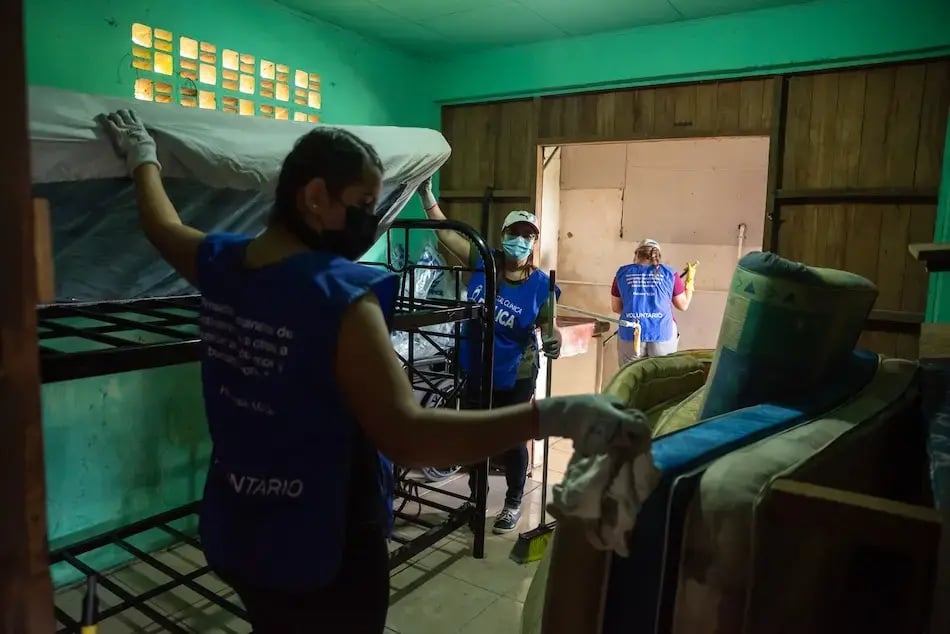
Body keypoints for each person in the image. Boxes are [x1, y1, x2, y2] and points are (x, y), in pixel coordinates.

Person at [96, 110, 648, 634]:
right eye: (364, 202)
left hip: (240, 524)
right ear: (315, 198)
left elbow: (161, 224)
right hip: (323, 540)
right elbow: (407, 435)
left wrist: (143, 157)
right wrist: (554, 413)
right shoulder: (340, 298)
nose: (372, 218)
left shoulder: (220, 261)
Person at [417, 180, 560, 534]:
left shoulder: (542, 285)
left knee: (511, 440)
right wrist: (426, 196)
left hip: (516, 372)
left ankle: (513, 501)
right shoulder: (484, 262)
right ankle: (475, 497)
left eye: (528, 235)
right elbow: (446, 234)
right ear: (503, 234)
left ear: (533, 242)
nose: (521, 240)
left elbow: (549, 326)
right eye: (515, 233)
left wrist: (553, 339)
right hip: (477, 366)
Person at [610, 239, 697, 368]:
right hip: (662, 332)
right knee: (661, 379)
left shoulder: (622, 273)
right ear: (658, 256)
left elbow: (616, 308)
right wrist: (689, 282)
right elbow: (683, 305)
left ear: (637, 254)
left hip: (631, 333)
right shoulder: (669, 273)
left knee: (629, 377)